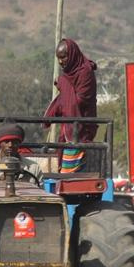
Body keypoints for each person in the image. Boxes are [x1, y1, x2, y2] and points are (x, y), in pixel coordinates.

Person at [43, 38, 97, 173]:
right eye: (58, 58)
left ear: (72, 54)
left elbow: (79, 100)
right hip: (67, 127)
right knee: (61, 173)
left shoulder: (85, 72)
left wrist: (63, 83)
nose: (61, 62)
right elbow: (66, 99)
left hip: (81, 129)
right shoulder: (68, 72)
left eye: (64, 57)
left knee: (71, 174)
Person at [0, 121, 42, 187]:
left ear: (19, 144)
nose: (10, 145)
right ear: (0, 143)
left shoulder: (34, 168)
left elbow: (41, 192)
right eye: (6, 142)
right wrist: (3, 177)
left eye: (15, 142)